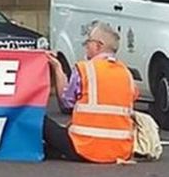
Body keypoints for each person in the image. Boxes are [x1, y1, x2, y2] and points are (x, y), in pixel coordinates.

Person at [44, 22, 138, 163]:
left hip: (84, 147)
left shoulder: (85, 69)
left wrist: (57, 68)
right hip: (120, 150)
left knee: (38, 118)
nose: (86, 46)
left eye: (88, 41)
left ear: (98, 45)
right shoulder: (127, 74)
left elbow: (66, 102)